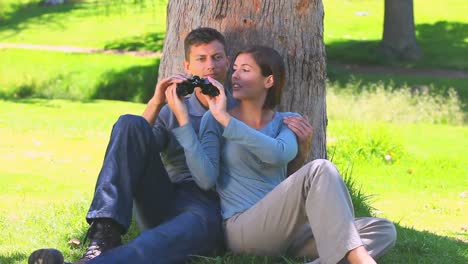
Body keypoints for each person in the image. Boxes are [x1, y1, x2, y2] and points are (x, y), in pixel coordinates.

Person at [28, 28, 313, 264]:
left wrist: (302, 148)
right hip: (164, 194)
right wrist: (156, 103)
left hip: (210, 205)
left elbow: (272, 169)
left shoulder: (243, 108)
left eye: (217, 57)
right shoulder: (171, 108)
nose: (210, 66)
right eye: (201, 59)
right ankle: (104, 235)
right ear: (188, 67)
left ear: (227, 62)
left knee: (157, 243)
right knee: (129, 123)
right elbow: (134, 150)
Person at [167, 46, 397, 264]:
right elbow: (205, 179)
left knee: (383, 229)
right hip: (245, 228)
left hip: (290, 228)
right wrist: (185, 122)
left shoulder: (286, 121)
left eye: (245, 70)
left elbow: (277, 154)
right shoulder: (215, 120)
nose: (235, 75)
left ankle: (339, 256)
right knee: (321, 168)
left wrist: (226, 120)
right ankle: (360, 259)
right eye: (235, 69)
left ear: (269, 80)